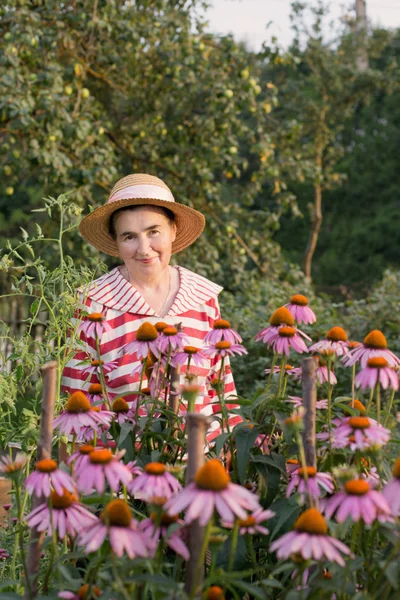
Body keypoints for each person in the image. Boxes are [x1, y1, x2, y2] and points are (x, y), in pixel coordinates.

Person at [62, 173, 242, 443]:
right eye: (129, 236)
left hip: (199, 467)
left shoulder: (203, 297)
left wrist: (232, 451)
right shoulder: (93, 303)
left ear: (173, 231)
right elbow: (74, 405)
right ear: (116, 242)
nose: (144, 249)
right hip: (119, 473)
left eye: (153, 232)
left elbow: (222, 389)